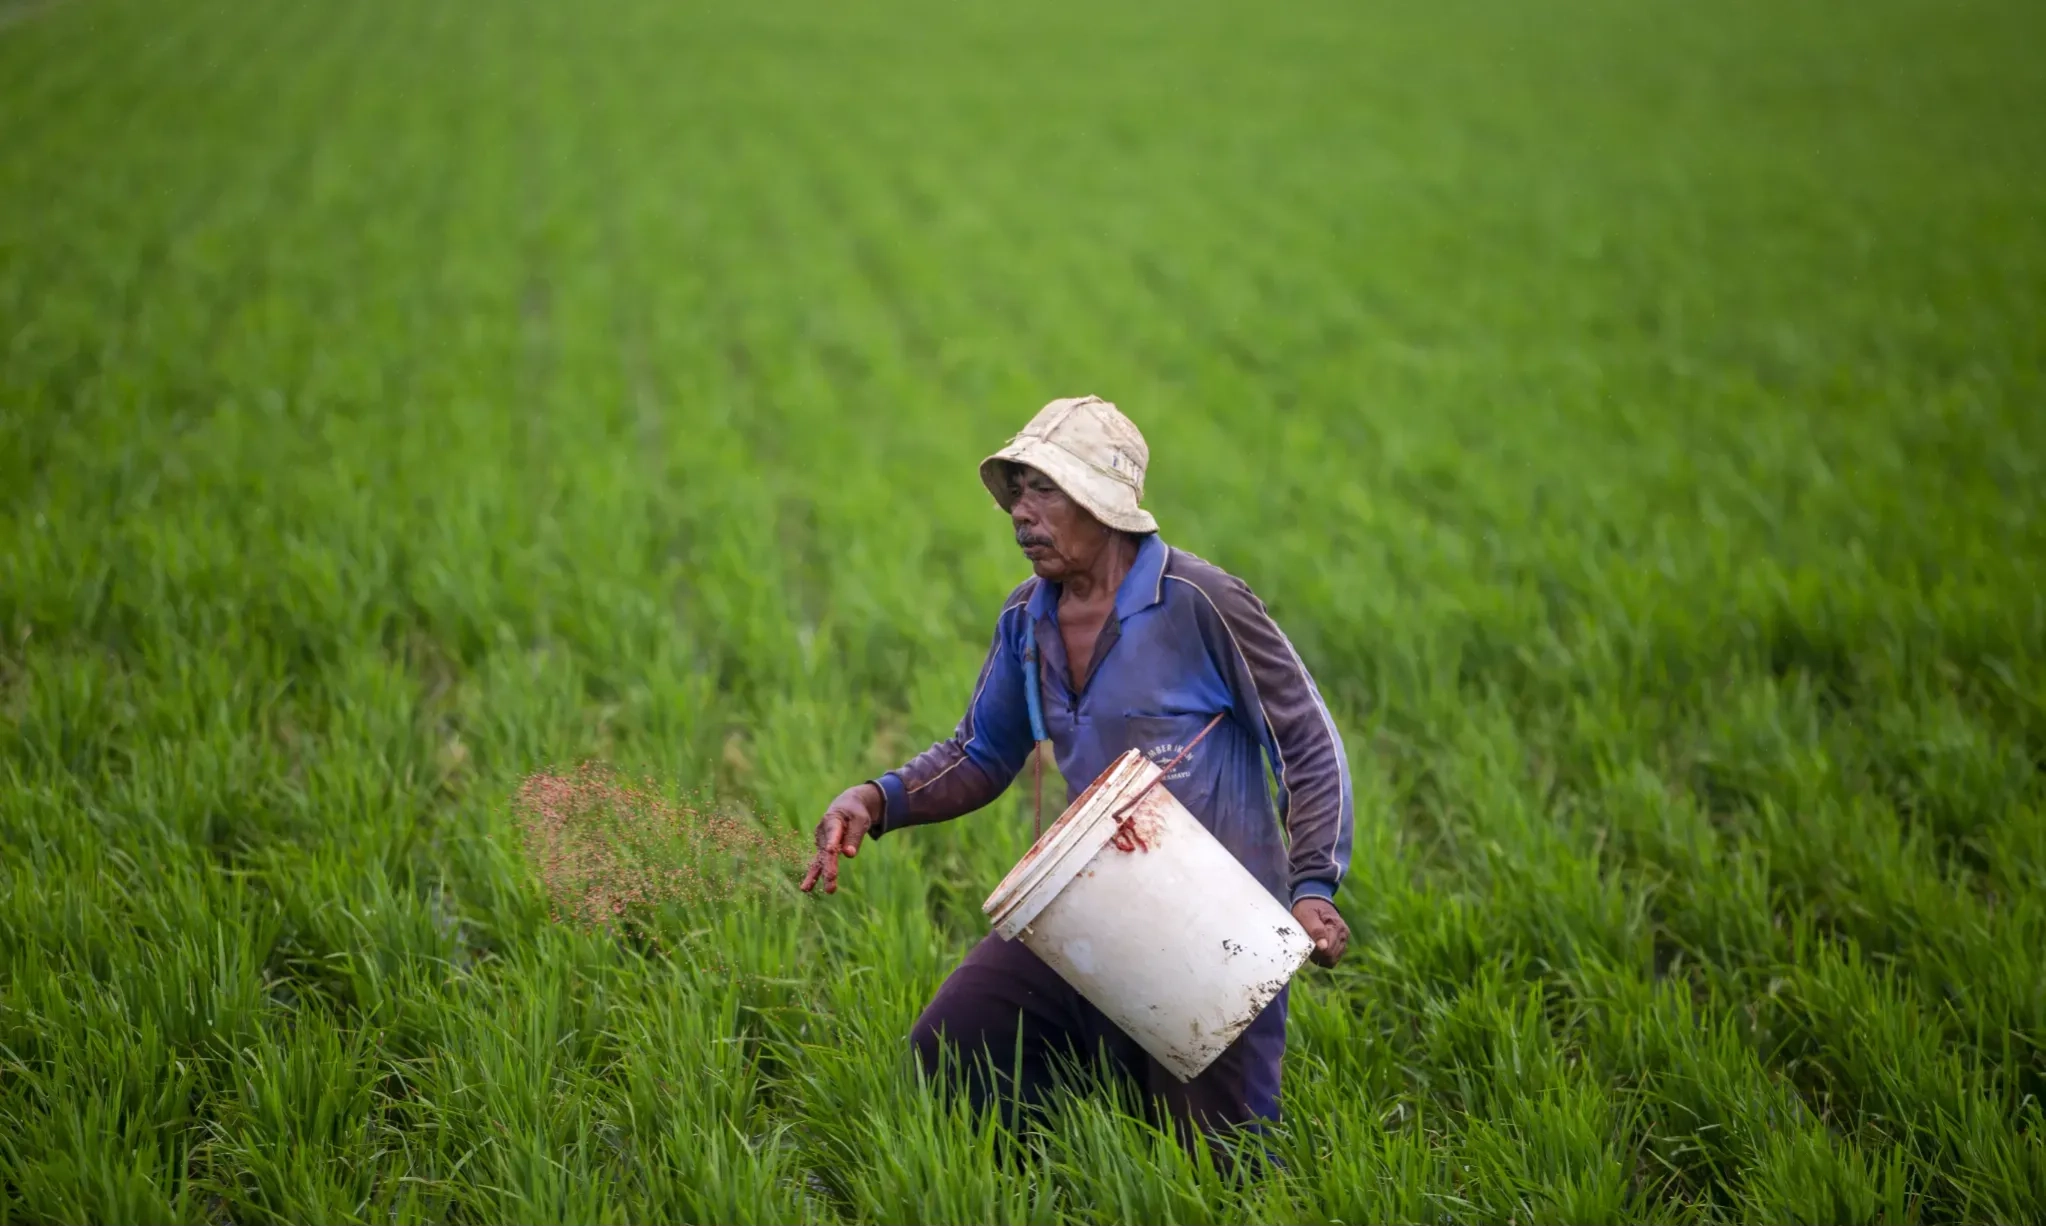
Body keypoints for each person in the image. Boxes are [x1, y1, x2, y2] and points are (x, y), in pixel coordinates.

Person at [800, 395, 1354, 1149]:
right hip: (1090, 902)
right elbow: (980, 752)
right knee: (950, 1056)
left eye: (1045, 490)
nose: (1022, 513)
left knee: (1217, 1168)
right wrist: (876, 799)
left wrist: (1314, 883)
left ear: (1107, 505)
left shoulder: (1201, 604)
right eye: (1017, 491)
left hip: (1215, 927)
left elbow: (1306, 740)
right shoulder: (1027, 617)